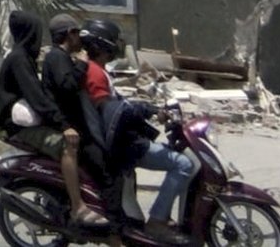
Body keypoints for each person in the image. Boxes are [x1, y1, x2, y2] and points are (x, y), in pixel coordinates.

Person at [80, 18, 194, 245]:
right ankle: (158, 221)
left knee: (171, 155)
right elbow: (109, 109)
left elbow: (118, 104)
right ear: (103, 46)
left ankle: (154, 218)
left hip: (121, 137)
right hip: (120, 144)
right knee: (183, 164)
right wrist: (146, 110)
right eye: (113, 42)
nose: (116, 46)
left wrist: (145, 108)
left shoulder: (100, 71)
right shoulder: (94, 73)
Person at [0, 9, 111, 231]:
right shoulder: (19, 59)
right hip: (18, 127)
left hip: (31, 120)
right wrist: (64, 125)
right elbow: (38, 98)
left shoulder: (24, 57)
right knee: (67, 144)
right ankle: (78, 206)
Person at [41, 13, 126, 236]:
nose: (81, 38)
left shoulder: (63, 57)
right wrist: (81, 64)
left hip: (77, 127)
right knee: (108, 175)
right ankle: (114, 234)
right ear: (69, 34)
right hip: (71, 129)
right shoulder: (57, 58)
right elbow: (66, 86)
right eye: (77, 32)